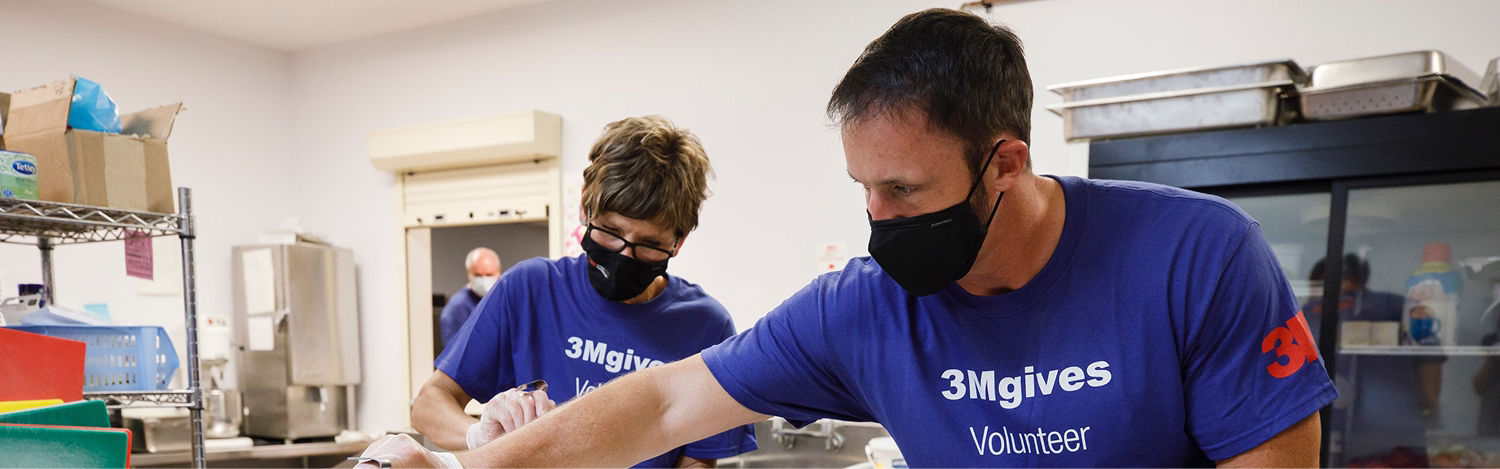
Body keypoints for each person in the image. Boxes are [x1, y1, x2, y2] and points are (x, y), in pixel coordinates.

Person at [362, 9, 1336, 467]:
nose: (879, 221)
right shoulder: (863, 308)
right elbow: (661, 402)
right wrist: (465, 468)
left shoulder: (1195, 258)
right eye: (864, 190)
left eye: (904, 189)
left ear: (1005, 162)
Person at [407, 115, 757, 467]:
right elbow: (428, 404)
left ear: (678, 241)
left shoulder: (705, 328)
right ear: (585, 205)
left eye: (649, 244)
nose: (624, 256)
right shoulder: (530, 290)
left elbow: (698, 460)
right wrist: (478, 436)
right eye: (611, 231)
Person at [1304, 254, 1441, 466]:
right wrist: (1427, 402)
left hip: (1333, 434)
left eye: (1318, 285)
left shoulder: (1308, 314)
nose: (1315, 293)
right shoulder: (1396, 305)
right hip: (1395, 436)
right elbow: (1430, 383)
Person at [438, 248, 501, 350]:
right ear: (469, 274)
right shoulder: (457, 307)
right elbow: (454, 352)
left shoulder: (501, 301)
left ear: (499, 273)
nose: (484, 279)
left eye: (489, 275)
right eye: (478, 275)